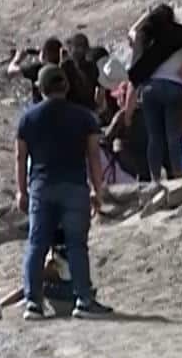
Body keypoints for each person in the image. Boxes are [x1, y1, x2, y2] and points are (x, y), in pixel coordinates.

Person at [15, 65, 113, 321]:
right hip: (75, 187)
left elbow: (20, 156)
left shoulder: (28, 118)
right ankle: (83, 299)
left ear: (40, 87)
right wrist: (97, 189)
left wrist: (21, 191)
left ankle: (33, 303)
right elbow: (93, 155)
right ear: (66, 87)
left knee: (36, 245)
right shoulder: (83, 117)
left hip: (41, 186)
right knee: (77, 245)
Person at [126, 3, 182, 180]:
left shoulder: (145, 37)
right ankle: (178, 173)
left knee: (154, 136)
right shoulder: (180, 35)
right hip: (175, 89)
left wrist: (145, 15)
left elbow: (131, 32)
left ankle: (155, 178)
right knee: (175, 135)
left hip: (151, 90)